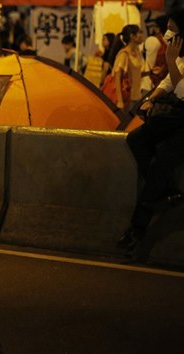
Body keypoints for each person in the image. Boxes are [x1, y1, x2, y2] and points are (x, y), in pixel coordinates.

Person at [117, 9, 184, 255]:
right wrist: (151, 98)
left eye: (172, 29)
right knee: (135, 139)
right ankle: (168, 190)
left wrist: (169, 61)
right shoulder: (180, 57)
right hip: (174, 117)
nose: (167, 33)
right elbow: (168, 83)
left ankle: (137, 228)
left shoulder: (175, 56)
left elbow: (182, 91)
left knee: (159, 165)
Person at [110, 25, 145, 110]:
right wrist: (120, 101)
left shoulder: (137, 52)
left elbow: (136, 73)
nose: (142, 35)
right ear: (132, 36)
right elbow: (117, 77)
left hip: (137, 96)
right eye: (139, 32)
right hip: (127, 99)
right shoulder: (124, 54)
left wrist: (150, 73)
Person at [142, 16, 169, 94]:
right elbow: (150, 66)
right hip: (154, 81)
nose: (153, 29)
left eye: (155, 26)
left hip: (158, 81)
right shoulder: (156, 40)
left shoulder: (157, 40)